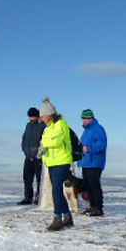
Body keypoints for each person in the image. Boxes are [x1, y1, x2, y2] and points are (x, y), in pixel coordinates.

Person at [38, 97, 74, 231]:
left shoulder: (61, 124)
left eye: (43, 116)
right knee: (57, 190)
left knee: (57, 190)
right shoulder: (48, 127)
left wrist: (44, 144)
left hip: (62, 160)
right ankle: (68, 217)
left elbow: (56, 141)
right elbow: (45, 140)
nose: (42, 119)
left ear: (49, 115)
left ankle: (57, 218)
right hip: (52, 162)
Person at [78, 109, 107, 216]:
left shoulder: (98, 129)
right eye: (83, 118)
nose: (83, 120)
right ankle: (92, 206)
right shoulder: (87, 130)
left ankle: (98, 207)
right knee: (88, 185)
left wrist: (89, 148)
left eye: (85, 118)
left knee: (94, 185)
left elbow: (102, 144)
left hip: (95, 162)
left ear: (90, 118)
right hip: (86, 162)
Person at [19, 107, 45, 205]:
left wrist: (39, 151)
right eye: (30, 117)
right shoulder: (28, 126)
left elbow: (43, 140)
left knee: (39, 178)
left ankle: (38, 197)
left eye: (33, 116)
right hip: (28, 155)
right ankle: (28, 197)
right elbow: (24, 138)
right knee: (27, 177)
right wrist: (24, 149)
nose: (31, 118)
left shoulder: (42, 126)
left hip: (38, 157)